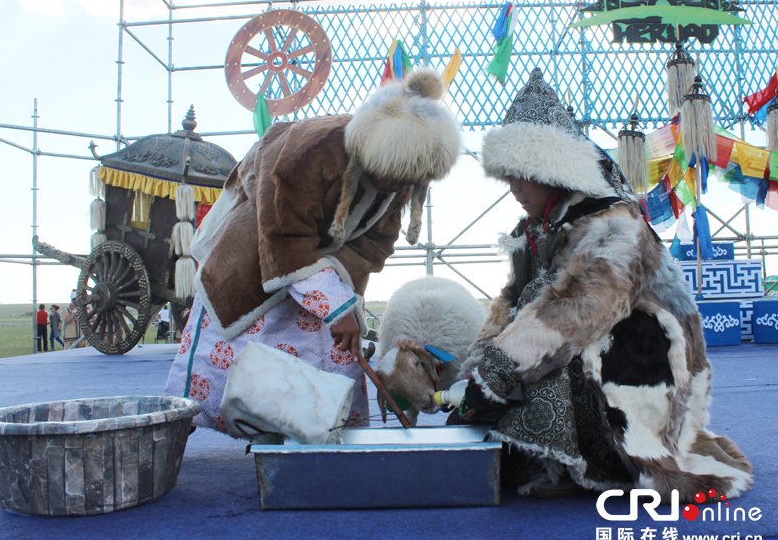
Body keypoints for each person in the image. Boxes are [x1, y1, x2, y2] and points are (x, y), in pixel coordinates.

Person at [451, 68, 752, 502]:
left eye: (522, 173)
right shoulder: (536, 229)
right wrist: (473, 374)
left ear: (554, 170)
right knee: (524, 315)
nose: (514, 188)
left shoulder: (612, 219)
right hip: (584, 347)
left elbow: (581, 305)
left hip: (646, 362)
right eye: (507, 175)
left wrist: (497, 372)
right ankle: (547, 456)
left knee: (547, 307)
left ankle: (587, 463)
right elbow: (507, 303)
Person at [164, 68, 461, 436]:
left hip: (320, 274)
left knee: (334, 354)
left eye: (409, 180)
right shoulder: (310, 147)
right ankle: (183, 422)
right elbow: (283, 234)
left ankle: (323, 433)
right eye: (397, 176)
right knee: (230, 353)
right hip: (255, 253)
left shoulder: (403, 171)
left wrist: (337, 298)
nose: (401, 186)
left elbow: (375, 246)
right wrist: (333, 305)